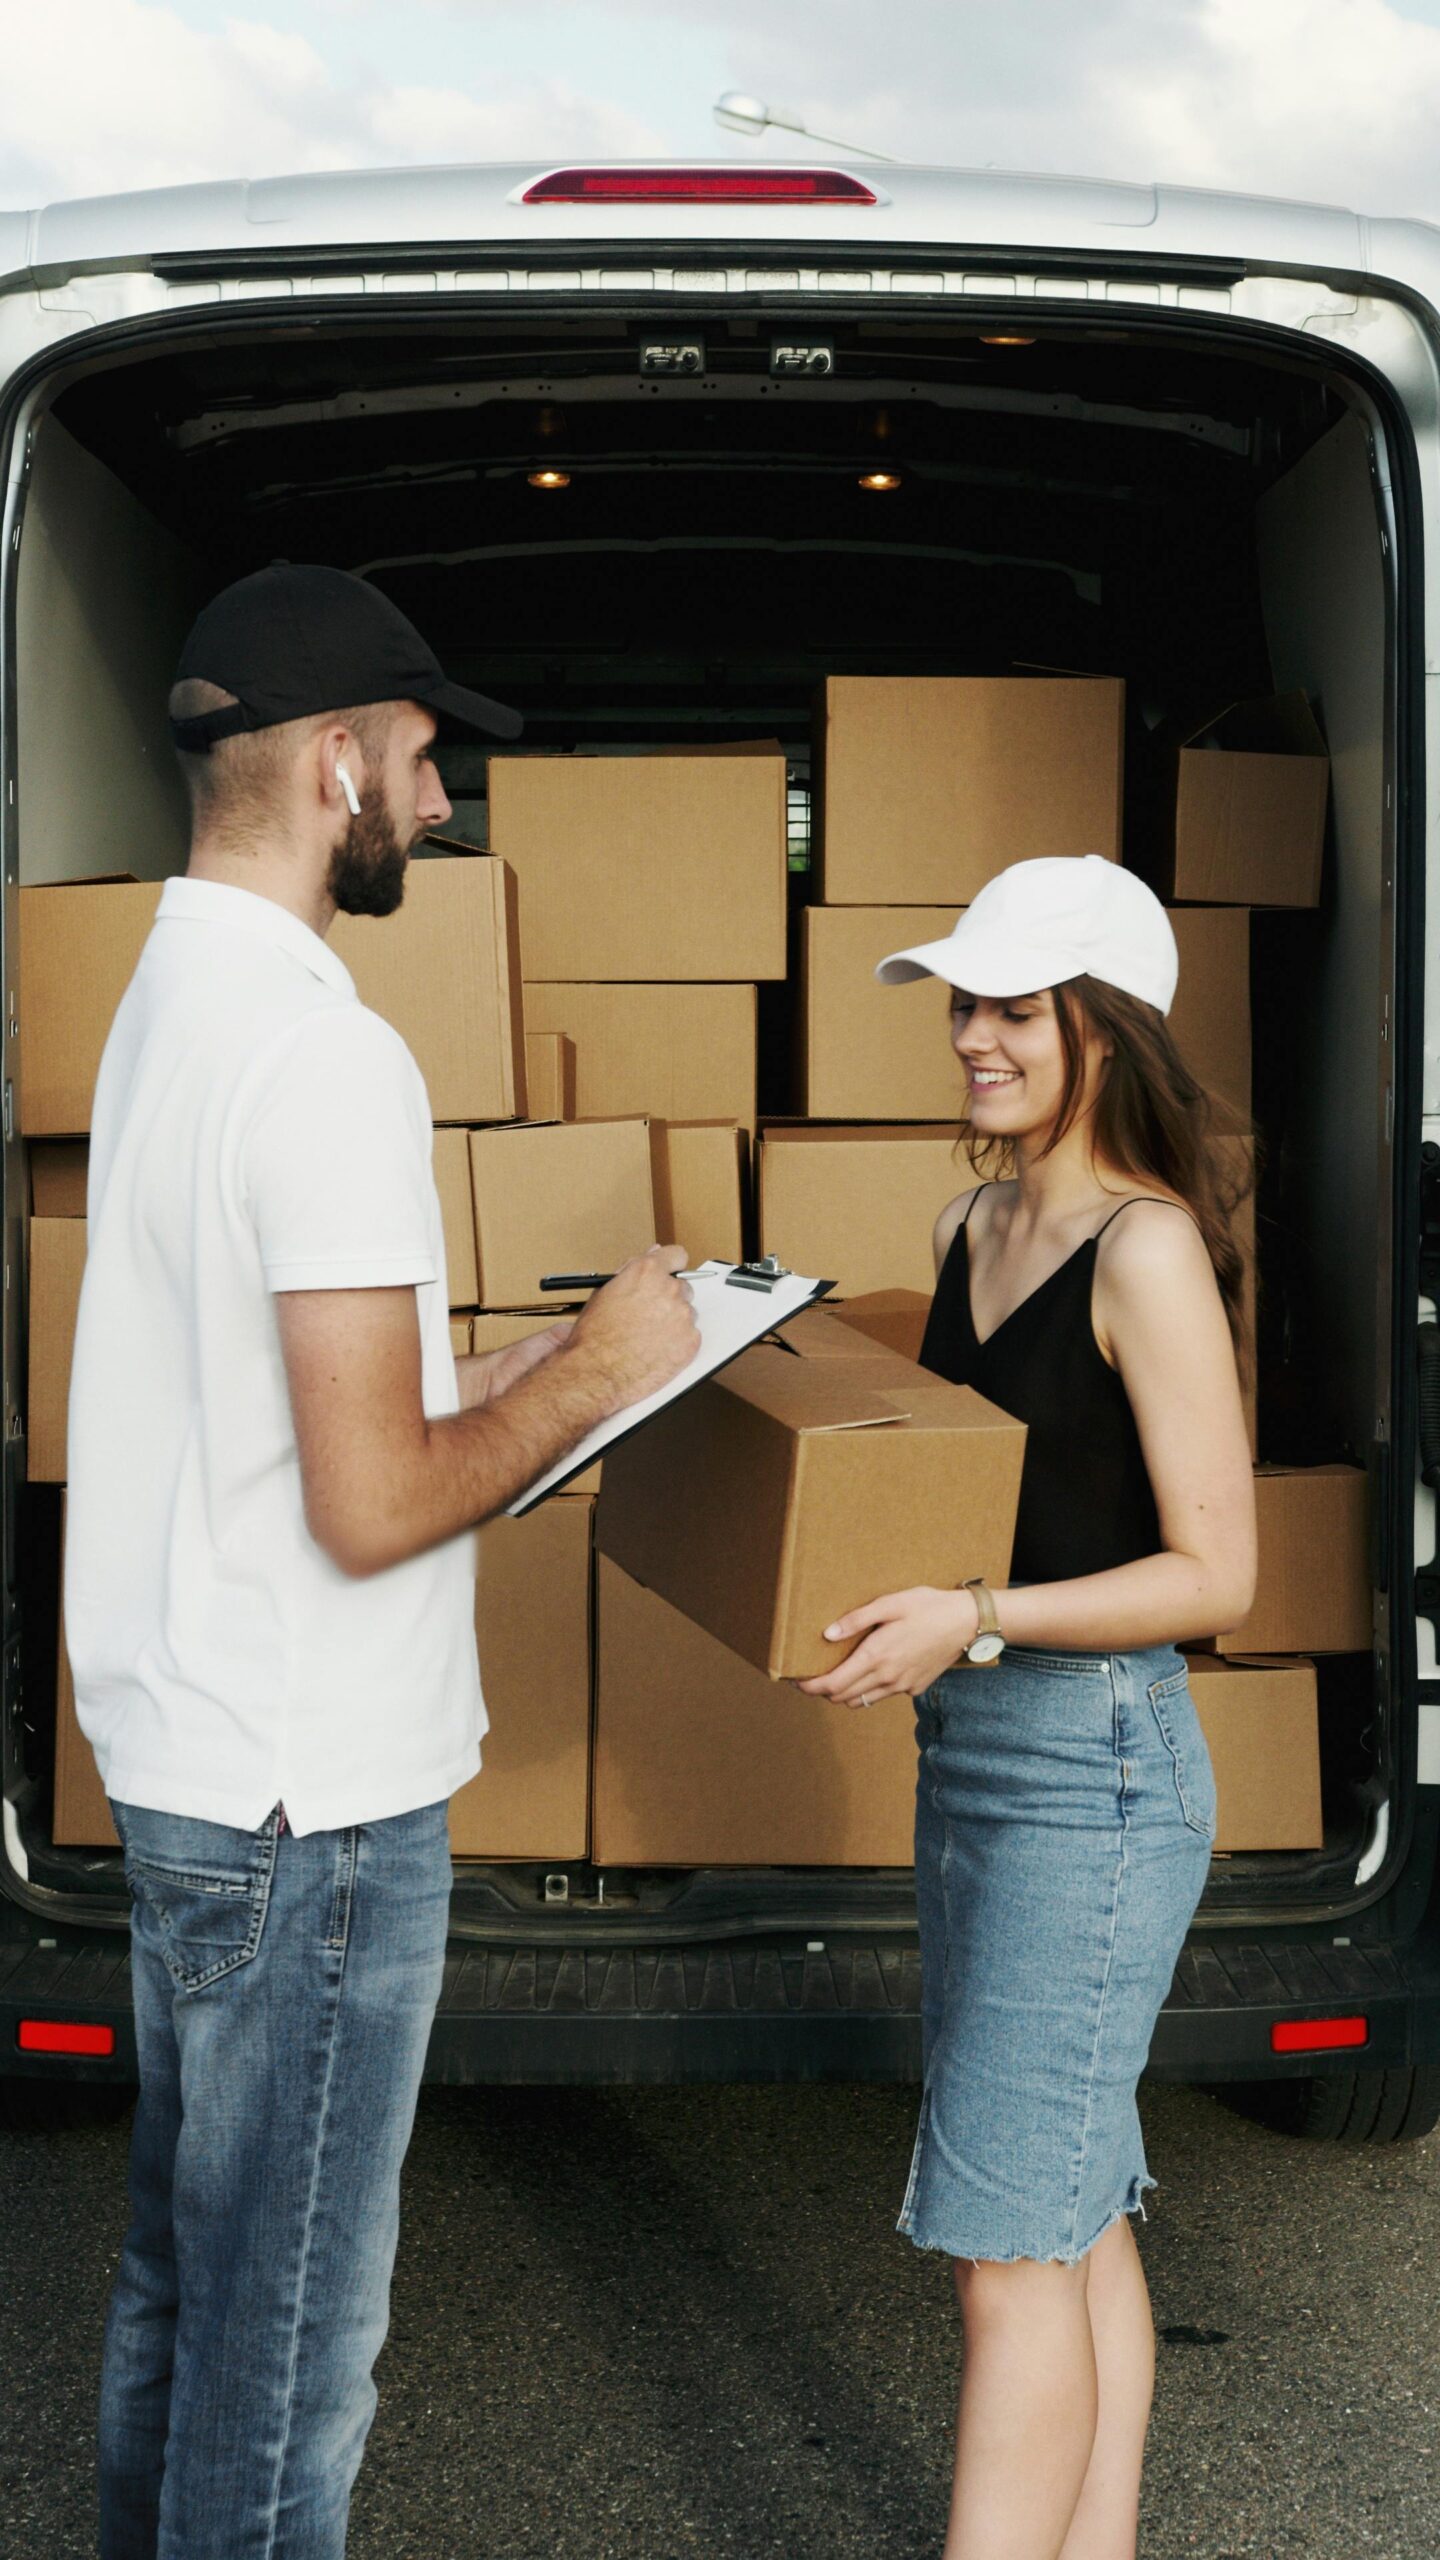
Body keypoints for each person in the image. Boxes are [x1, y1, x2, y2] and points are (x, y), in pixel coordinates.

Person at [65, 562, 699, 2560]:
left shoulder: (170, 1004)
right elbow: (369, 1499)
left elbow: (292, 1401)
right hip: (313, 1806)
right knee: (288, 2363)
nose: (444, 793)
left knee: (187, 2285)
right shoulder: (330, 1057)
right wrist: (606, 1361)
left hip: (193, 1763)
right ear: (336, 759)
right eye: (426, 755)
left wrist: (513, 1371)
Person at [800, 854, 1257, 2560]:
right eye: (964, 1005)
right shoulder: (968, 1225)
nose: (971, 1037)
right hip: (979, 1752)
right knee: (1070, 2214)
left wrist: (975, 1616)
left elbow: (1221, 1575)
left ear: (1104, 1027)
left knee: (1008, 2252)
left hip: (1101, 1771)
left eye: (1010, 1007)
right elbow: (959, 1505)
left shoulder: (1144, 1252)